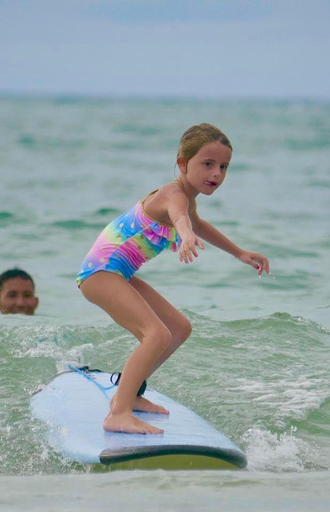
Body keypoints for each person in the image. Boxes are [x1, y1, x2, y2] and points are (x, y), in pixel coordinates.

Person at [76, 123, 270, 435]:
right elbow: (180, 217)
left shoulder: (187, 199)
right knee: (157, 334)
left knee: (179, 328)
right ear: (182, 163)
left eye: (223, 167)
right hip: (100, 273)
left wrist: (239, 253)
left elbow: (196, 222)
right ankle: (119, 413)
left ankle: (130, 395)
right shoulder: (173, 195)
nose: (217, 174)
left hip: (118, 273)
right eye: (207, 164)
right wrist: (185, 235)